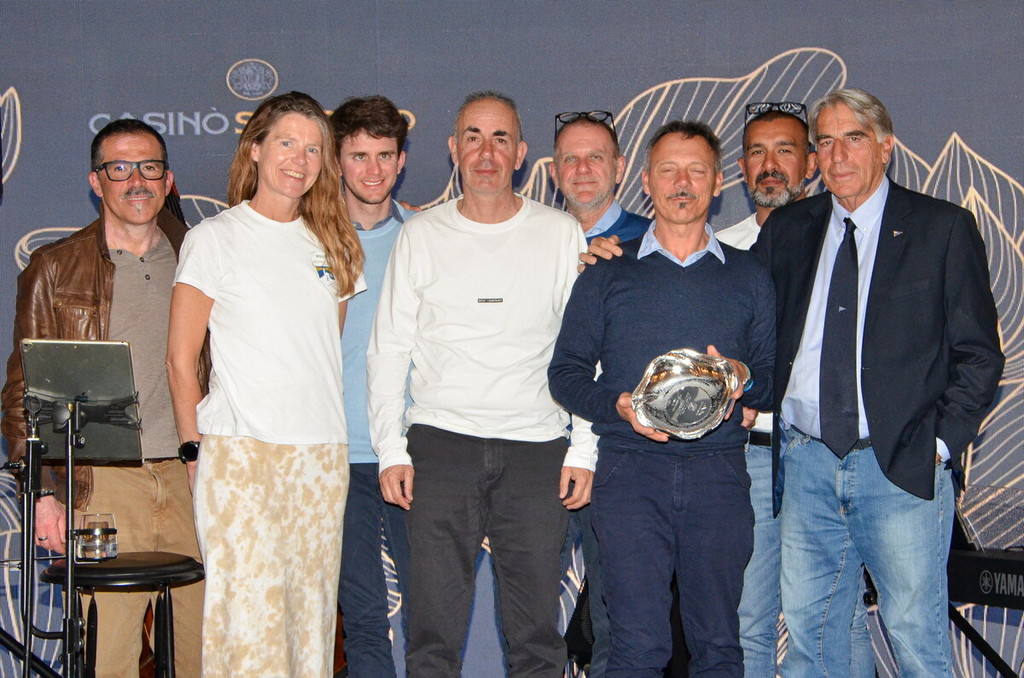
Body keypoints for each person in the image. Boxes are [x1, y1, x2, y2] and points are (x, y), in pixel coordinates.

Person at [752, 88, 1003, 678]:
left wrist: (938, 446)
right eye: (825, 142)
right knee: (813, 642)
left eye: (854, 138)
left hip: (900, 467)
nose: (837, 155)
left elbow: (979, 354)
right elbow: (740, 312)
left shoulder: (942, 228)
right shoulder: (788, 228)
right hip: (807, 463)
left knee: (916, 641)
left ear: (886, 147)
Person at [367, 91, 591, 677]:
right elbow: (388, 350)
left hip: (538, 450)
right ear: (453, 149)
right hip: (440, 447)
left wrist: (585, 449)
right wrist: (391, 449)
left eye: (500, 139)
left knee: (538, 636)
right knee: (431, 637)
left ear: (521, 153)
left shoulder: (561, 233)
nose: (486, 153)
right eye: (473, 137)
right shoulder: (421, 235)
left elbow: (586, 353)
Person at [548, 120, 775, 678]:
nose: (682, 182)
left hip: (719, 474)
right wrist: (619, 406)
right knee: (636, 648)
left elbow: (772, 377)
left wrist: (742, 376)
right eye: (668, 170)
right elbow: (565, 375)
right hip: (629, 473)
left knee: (719, 645)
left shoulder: (749, 275)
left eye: (696, 170)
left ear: (717, 183)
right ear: (646, 182)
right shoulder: (606, 270)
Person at [165, 91, 365, 678]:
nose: (299, 160)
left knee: (310, 626)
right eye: (286, 143)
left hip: (321, 459)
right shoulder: (214, 239)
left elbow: (321, 354)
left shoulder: (335, 244)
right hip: (241, 456)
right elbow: (180, 359)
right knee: (248, 628)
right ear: (254, 148)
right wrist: (193, 450)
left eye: (313, 149)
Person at [1, 118, 203, 678]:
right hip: (103, 483)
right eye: (120, 168)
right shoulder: (54, 268)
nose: (136, 180)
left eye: (149, 167)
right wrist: (42, 493)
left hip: (195, 475)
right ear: (96, 181)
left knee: (203, 653)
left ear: (168, 180)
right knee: (109, 656)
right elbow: (24, 393)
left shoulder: (203, 255)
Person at [549, 108, 650, 678]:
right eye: (570, 158)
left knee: (619, 612)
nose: (583, 169)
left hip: (620, 450)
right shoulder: (530, 236)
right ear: (553, 170)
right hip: (535, 444)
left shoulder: (654, 240)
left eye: (595, 157)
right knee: (530, 611)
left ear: (620, 166)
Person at [328, 94, 413, 678]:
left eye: (385, 155)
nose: (373, 169)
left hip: (413, 450)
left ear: (402, 161)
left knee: (433, 612)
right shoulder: (307, 240)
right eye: (359, 155)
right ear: (337, 160)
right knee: (361, 617)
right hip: (336, 453)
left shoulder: (427, 236)